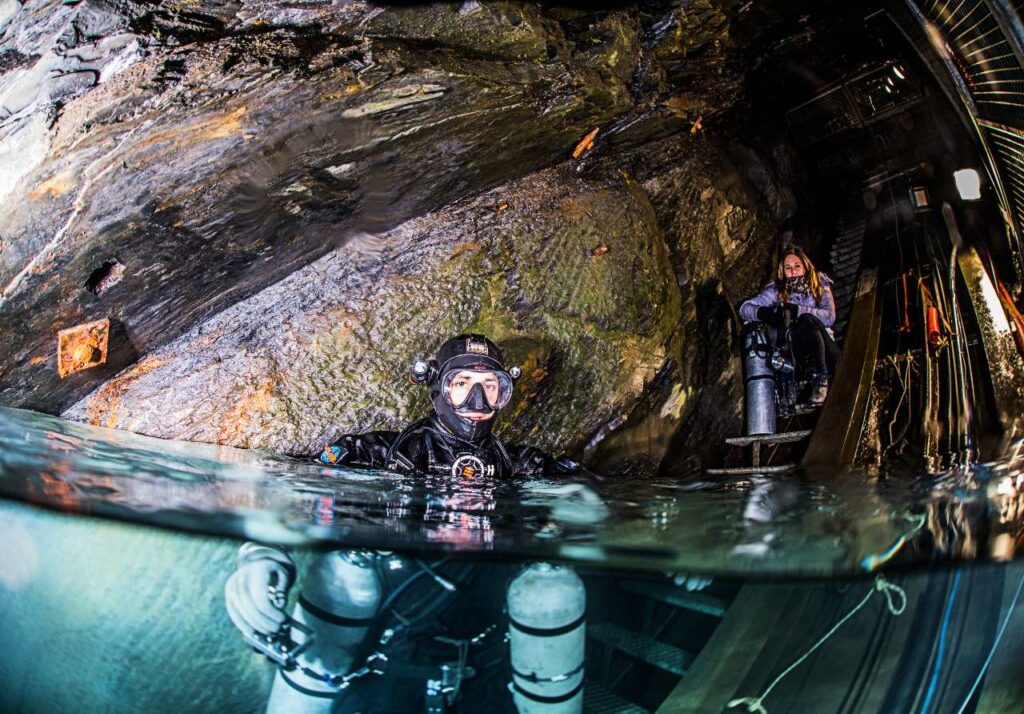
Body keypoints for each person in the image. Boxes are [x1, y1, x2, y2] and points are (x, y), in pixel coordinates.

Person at [224, 334, 588, 713]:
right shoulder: (378, 455)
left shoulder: (523, 466)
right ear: (435, 386)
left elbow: (593, 503)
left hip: (489, 662)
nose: (477, 402)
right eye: (461, 384)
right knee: (342, 570)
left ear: (504, 395)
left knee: (552, 585)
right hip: (383, 661)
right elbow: (290, 486)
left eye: (490, 387)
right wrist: (263, 552)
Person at [739, 246, 840, 406]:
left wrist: (797, 311)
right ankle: (789, 386)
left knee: (807, 320)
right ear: (782, 271)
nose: (792, 270)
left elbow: (829, 316)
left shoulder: (819, 283)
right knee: (780, 328)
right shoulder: (776, 290)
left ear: (805, 266)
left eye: (797, 266)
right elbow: (744, 309)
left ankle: (820, 380)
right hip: (794, 353)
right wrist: (763, 313)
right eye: (788, 267)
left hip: (823, 349)